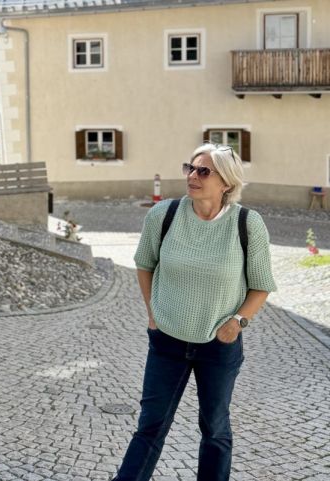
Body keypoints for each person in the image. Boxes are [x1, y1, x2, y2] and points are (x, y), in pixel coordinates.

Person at [113, 143, 277, 481]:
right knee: (151, 425)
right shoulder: (164, 215)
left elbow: (261, 285)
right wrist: (153, 313)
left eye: (204, 171)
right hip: (167, 340)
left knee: (215, 428)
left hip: (218, 345)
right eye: (191, 167)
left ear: (226, 183)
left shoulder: (248, 223)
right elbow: (145, 265)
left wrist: (237, 322)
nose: (192, 176)